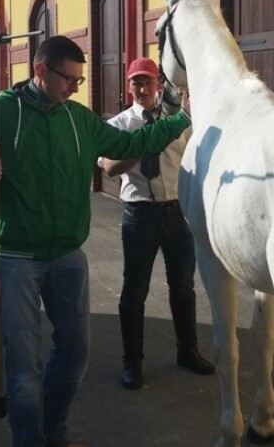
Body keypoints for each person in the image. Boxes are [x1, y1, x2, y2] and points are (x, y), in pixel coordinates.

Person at [0, 36, 189, 447]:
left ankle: (52, 432)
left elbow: (131, 145)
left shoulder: (79, 118)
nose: (76, 87)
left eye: (79, 80)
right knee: (24, 372)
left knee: (75, 355)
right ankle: (31, 441)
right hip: (16, 257)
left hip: (69, 257)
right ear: (41, 71)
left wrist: (179, 118)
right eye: (69, 79)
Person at [98, 57, 214, 390]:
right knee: (134, 291)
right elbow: (108, 167)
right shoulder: (119, 124)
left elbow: (200, 152)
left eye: (148, 82)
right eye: (136, 82)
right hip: (139, 214)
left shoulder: (179, 123)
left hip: (177, 211)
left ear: (158, 86)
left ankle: (188, 351)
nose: (143, 88)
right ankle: (131, 362)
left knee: (183, 287)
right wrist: (145, 141)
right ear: (129, 87)